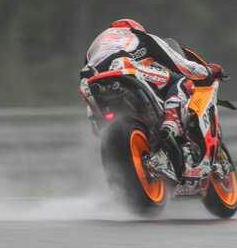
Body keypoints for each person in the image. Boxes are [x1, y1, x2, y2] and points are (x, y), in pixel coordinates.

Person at [79, 18, 224, 180]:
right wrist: (208, 71)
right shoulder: (142, 37)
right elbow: (184, 67)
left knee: (102, 127)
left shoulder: (94, 46)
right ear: (137, 28)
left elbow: (87, 73)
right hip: (124, 69)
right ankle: (172, 122)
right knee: (182, 80)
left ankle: (128, 154)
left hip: (90, 84)